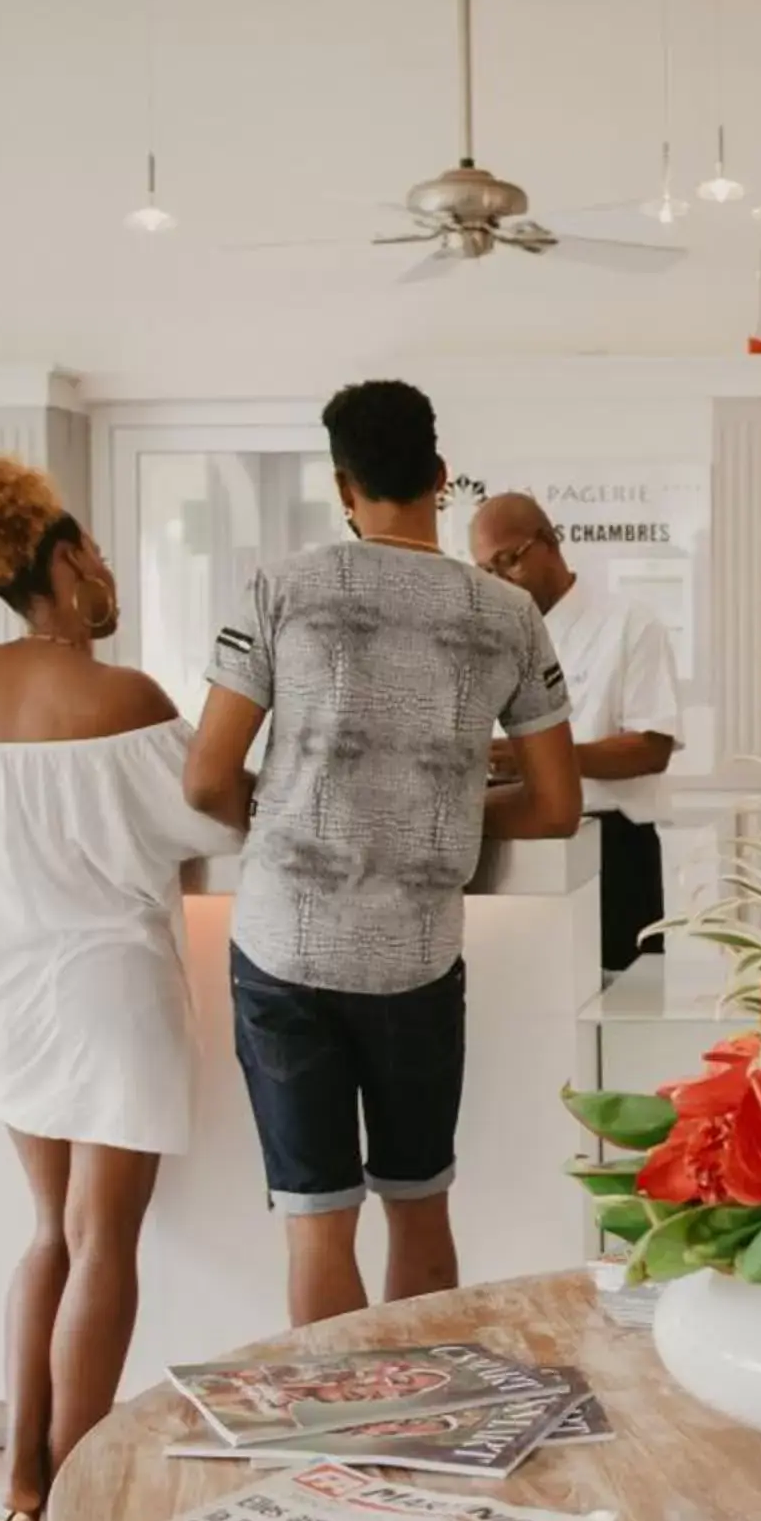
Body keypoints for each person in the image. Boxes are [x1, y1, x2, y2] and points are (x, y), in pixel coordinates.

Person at [0, 455, 241, 1521]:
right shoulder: (125, 695)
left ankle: (18, 1479)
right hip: (112, 993)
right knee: (106, 1242)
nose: (109, 576)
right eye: (96, 556)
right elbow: (214, 821)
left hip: (3, 988)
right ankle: (80, 1479)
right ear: (65, 557)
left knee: (46, 1228)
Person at [184, 380, 580, 1328]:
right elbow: (559, 805)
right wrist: (426, 827)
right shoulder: (508, 614)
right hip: (416, 955)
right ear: (440, 478)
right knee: (419, 1200)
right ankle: (423, 1426)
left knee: (317, 1223)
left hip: (286, 948)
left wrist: (291, 820)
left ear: (342, 485)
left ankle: (340, 1450)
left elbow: (204, 781)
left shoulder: (284, 587)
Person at [467, 491, 683, 973]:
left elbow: (652, 747)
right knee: (532, 1011)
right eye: (486, 571)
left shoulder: (629, 623)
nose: (500, 580)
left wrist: (537, 758)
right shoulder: (491, 641)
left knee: (621, 1010)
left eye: (508, 562)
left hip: (613, 852)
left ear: (548, 543)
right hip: (513, 846)